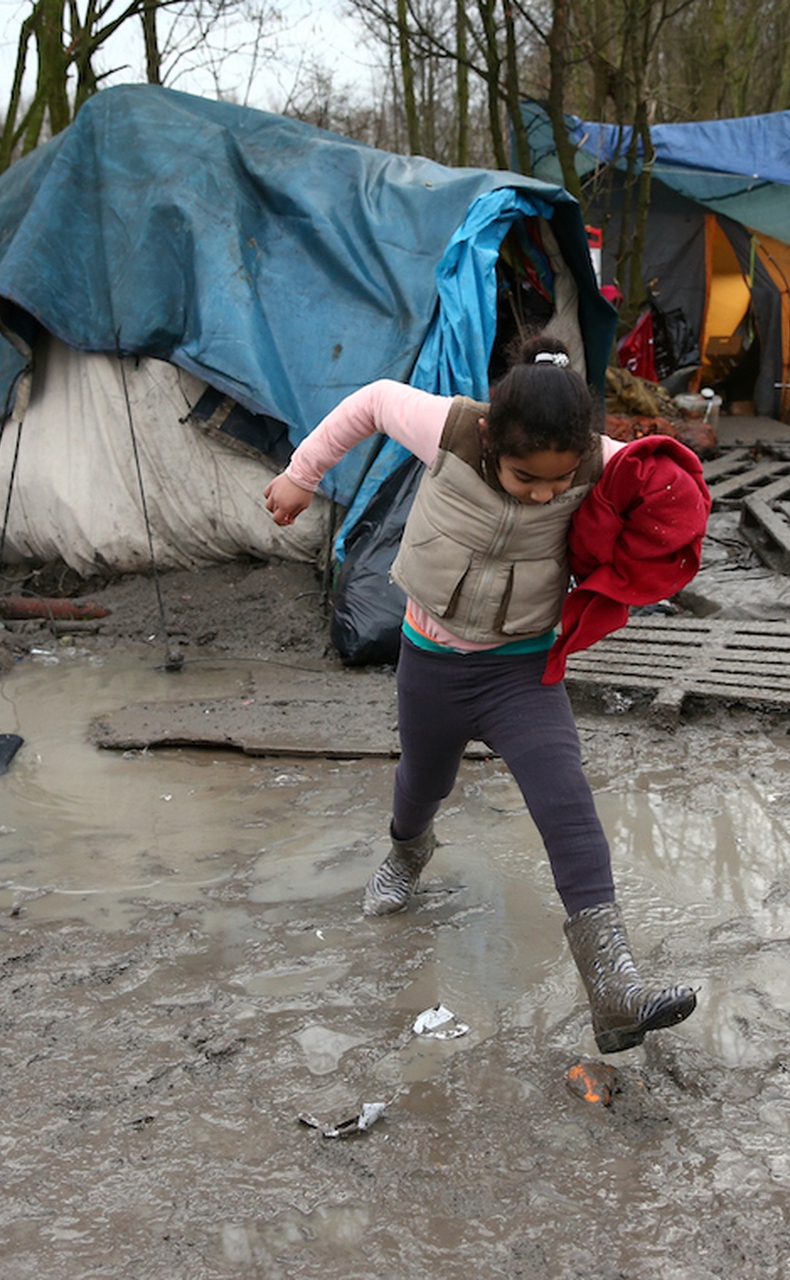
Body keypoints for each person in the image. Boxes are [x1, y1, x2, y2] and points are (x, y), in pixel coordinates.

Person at [262, 334, 700, 1055]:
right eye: (528, 478)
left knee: (567, 802)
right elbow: (371, 400)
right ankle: (407, 854)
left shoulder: (596, 460)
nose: (546, 494)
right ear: (493, 438)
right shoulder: (453, 428)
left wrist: (669, 510)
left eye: (560, 484)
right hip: (431, 661)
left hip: (521, 671)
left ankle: (613, 987)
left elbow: (666, 483)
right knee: (422, 783)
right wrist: (301, 475)